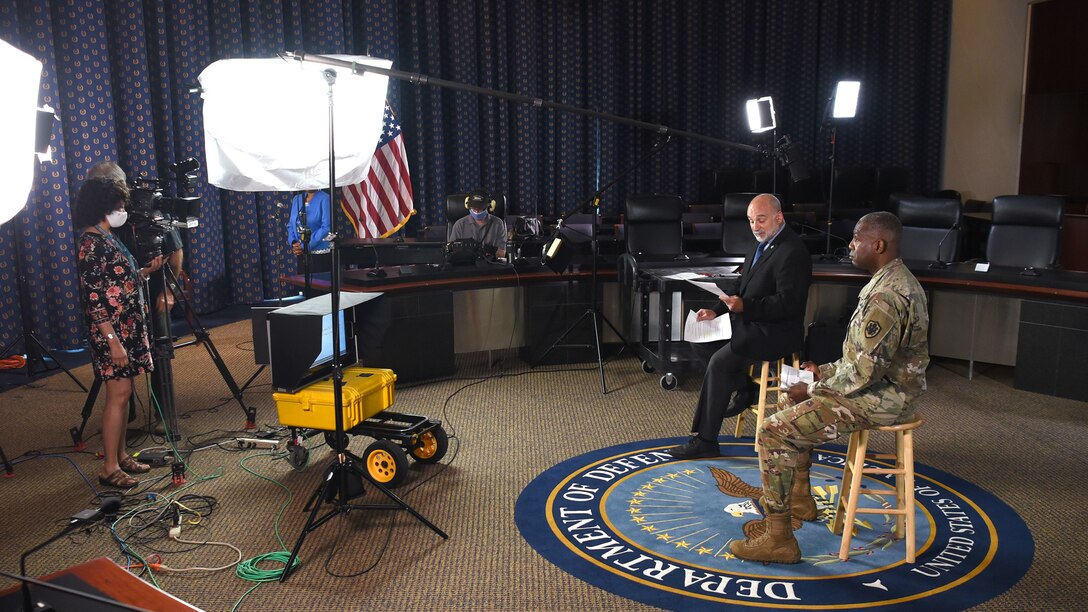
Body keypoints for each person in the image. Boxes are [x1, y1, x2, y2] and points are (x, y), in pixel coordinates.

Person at [729, 211, 930, 564]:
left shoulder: (887, 295)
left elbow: (864, 372)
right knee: (786, 408)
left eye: (857, 239)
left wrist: (812, 390)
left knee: (773, 431)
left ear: (879, 245)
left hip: (885, 398)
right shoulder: (888, 281)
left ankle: (779, 538)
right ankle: (802, 498)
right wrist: (819, 373)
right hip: (877, 386)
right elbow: (862, 362)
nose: (850, 245)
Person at [668, 194, 812, 459]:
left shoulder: (793, 252)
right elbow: (739, 287)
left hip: (776, 332)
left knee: (720, 363)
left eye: (761, 219)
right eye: (750, 220)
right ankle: (745, 386)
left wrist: (746, 307)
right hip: (750, 322)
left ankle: (706, 440)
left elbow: (788, 304)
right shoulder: (759, 246)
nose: (755, 226)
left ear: (778, 217)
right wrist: (716, 310)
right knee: (698, 340)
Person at [74, 177, 165, 488]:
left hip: (126, 326)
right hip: (110, 332)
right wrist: (113, 341)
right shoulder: (90, 243)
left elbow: (117, 284)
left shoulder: (107, 237)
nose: (123, 210)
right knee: (119, 394)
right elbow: (94, 298)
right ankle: (109, 467)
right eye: (118, 206)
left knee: (124, 396)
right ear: (102, 206)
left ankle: (122, 456)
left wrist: (143, 273)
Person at [448, 189, 507, 259]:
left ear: (490, 206)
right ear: (468, 206)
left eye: (480, 208)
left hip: (490, 266)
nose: (476, 211)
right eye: (473, 208)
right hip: (465, 266)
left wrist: (490, 250)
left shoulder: (498, 223)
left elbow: (502, 254)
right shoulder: (459, 225)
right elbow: (451, 252)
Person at [288, 189, 332, 274]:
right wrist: (294, 243)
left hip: (319, 256)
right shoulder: (297, 199)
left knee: (318, 286)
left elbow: (326, 228)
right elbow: (291, 224)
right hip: (302, 254)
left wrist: (305, 245)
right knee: (302, 285)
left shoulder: (325, 198)